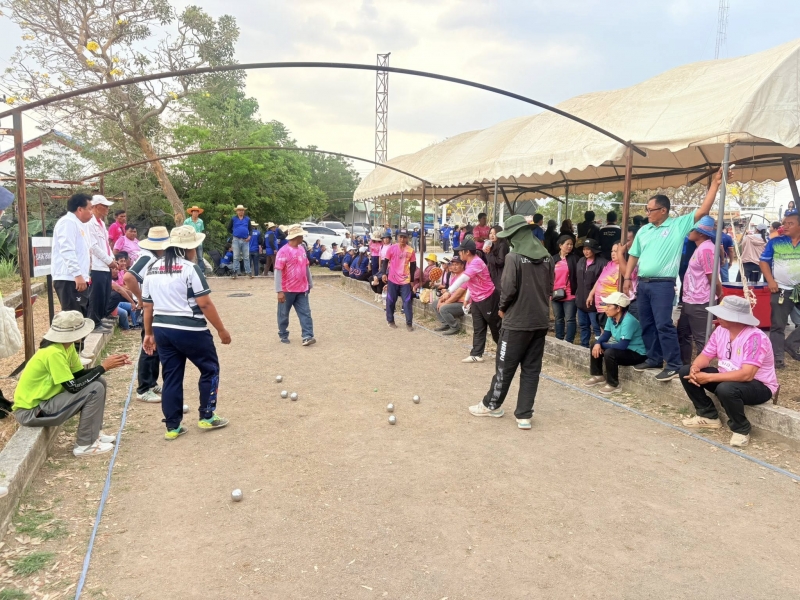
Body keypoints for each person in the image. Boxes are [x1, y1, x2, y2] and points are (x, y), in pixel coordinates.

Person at [624, 168, 723, 381]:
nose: (647, 213)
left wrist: (715, 184)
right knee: (646, 322)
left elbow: (703, 210)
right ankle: (654, 357)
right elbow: (634, 255)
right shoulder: (644, 230)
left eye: (651, 209)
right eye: (647, 209)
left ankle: (674, 363)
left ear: (663, 210)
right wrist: (626, 278)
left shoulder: (677, 226)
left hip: (663, 284)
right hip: (643, 283)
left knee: (663, 324)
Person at [142, 226, 231, 440]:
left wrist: (148, 333)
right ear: (187, 249)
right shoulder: (190, 269)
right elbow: (205, 303)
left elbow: (147, 305)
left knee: (171, 376)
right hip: (191, 329)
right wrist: (221, 330)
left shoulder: (152, 268)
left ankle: (172, 427)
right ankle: (207, 416)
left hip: (162, 329)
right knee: (210, 369)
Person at [469, 215, 553, 430]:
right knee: (531, 370)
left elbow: (508, 289)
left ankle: (491, 405)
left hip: (516, 322)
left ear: (515, 235)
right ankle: (524, 415)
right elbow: (550, 288)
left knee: (504, 367)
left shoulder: (513, 257)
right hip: (540, 321)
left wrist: (502, 308)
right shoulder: (547, 257)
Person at [12, 311, 130, 457]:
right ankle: (85, 445)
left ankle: (94, 434)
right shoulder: (53, 353)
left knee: (99, 381)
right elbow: (73, 387)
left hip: (44, 404)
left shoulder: (66, 348)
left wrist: (107, 366)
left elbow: (79, 375)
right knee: (94, 389)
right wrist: (103, 367)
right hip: (31, 412)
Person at [679, 295, 777, 448]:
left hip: (759, 385)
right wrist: (695, 368)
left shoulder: (756, 338)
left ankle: (741, 429)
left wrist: (709, 377)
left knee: (726, 388)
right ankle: (708, 415)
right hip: (729, 379)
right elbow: (706, 355)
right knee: (685, 371)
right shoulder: (720, 331)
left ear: (736, 318)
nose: (718, 317)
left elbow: (747, 375)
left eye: (723, 314)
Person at [124, 227, 169, 403]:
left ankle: (151, 382)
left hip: (157, 307)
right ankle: (143, 388)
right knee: (148, 346)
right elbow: (129, 277)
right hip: (150, 308)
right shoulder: (148, 257)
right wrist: (141, 299)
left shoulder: (155, 257)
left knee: (155, 347)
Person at [441, 239, 500, 363]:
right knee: (478, 327)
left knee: (495, 327)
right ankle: (476, 354)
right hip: (477, 299)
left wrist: (449, 291)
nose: (459, 254)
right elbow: (470, 282)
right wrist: (467, 299)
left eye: (460, 251)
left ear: (467, 252)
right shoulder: (468, 263)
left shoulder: (476, 263)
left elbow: (463, 279)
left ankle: (506, 352)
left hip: (488, 298)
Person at [677, 217, 724, 365]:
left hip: (700, 301)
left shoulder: (706, 249)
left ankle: (701, 369)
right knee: (683, 333)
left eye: (693, 229)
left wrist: (720, 294)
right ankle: (685, 366)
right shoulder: (701, 247)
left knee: (701, 339)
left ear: (701, 233)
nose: (689, 232)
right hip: (690, 299)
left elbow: (713, 277)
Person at [584, 292, 647, 394]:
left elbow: (622, 346)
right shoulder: (611, 317)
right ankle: (598, 376)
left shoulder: (628, 321)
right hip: (625, 350)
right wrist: (598, 343)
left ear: (618, 308)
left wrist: (601, 345)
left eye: (609, 306)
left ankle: (613, 384)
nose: (606, 309)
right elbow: (605, 335)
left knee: (610, 353)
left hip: (637, 353)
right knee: (594, 344)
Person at [760, 211, 800, 368]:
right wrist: (770, 281)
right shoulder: (775, 242)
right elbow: (763, 261)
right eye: (784, 223)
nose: (785, 226)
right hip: (781, 289)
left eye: (790, 223)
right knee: (778, 325)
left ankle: (791, 343)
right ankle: (777, 359)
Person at [52, 193, 93, 315]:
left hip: (77, 278)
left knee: (81, 316)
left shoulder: (79, 224)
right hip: (69, 279)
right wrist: (77, 275)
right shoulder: (67, 222)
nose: (92, 213)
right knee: (73, 317)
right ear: (80, 209)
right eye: (90, 209)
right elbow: (67, 250)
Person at [275, 224, 316, 345]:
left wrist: (310, 283)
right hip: (287, 289)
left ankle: (307, 336)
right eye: (301, 236)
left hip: (302, 288)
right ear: (296, 237)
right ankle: (283, 333)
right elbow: (278, 271)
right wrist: (279, 290)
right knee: (283, 314)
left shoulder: (302, 249)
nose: (303, 237)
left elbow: (306, 267)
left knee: (306, 313)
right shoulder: (283, 252)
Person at [87, 195, 119, 334]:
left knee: (104, 294)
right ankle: (93, 322)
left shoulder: (101, 224)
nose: (107, 208)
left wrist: (112, 259)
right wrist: (108, 260)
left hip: (105, 265)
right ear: (95, 206)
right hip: (96, 265)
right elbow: (93, 246)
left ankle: (99, 319)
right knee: (96, 295)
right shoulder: (89, 223)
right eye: (104, 206)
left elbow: (106, 244)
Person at [379, 229, 417, 331]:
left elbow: (413, 266)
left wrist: (412, 280)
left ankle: (409, 323)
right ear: (397, 237)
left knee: (407, 301)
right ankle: (390, 321)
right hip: (392, 279)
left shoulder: (411, 250)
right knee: (391, 300)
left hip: (405, 280)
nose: (402, 239)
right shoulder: (391, 249)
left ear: (407, 238)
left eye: (404, 237)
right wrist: (383, 273)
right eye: (400, 237)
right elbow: (385, 262)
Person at [576, 239, 608, 348]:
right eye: (584, 249)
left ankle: (599, 347)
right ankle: (583, 346)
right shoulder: (581, 261)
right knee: (583, 326)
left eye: (588, 249)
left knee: (597, 327)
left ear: (594, 250)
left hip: (595, 303)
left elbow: (603, 283)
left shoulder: (602, 263)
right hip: (581, 300)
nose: (585, 252)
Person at [552, 235, 579, 343]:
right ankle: (559, 339)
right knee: (558, 318)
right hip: (555, 293)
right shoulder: (553, 259)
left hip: (570, 293)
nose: (570, 246)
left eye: (571, 244)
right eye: (567, 244)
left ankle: (569, 341)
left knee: (570, 319)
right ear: (560, 245)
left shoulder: (575, 259)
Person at [434, 258, 466, 334]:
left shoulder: (465, 277)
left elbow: (457, 295)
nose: (454, 267)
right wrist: (441, 300)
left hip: (462, 303)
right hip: (454, 301)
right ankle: (446, 324)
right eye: (453, 265)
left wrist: (445, 303)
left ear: (462, 265)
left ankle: (455, 327)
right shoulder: (454, 277)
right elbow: (449, 292)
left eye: (456, 265)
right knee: (435, 303)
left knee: (443, 308)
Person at [589, 243, 621, 318]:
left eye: (616, 251)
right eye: (612, 251)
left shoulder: (623, 268)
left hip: (610, 308)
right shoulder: (610, 264)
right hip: (600, 305)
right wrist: (591, 294)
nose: (613, 253)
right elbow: (600, 280)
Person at [227, 204, 252, 279]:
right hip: (236, 239)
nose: (241, 211)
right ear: (237, 211)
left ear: (244, 211)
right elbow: (229, 228)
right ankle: (234, 272)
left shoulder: (247, 219)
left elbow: (250, 229)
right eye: (240, 210)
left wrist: (249, 236)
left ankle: (248, 272)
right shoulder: (233, 219)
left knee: (246, 257)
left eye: (242, 210)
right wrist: (234, 233)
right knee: (236, 256)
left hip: (245, 240)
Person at [484, 225, 509, 291]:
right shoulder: (492, 244)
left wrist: (489, 253)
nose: (492, 236)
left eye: (494, 234)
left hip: (499, 275)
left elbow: (500, 262)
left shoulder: (502, 245)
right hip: (493, 274)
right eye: (490, 233)